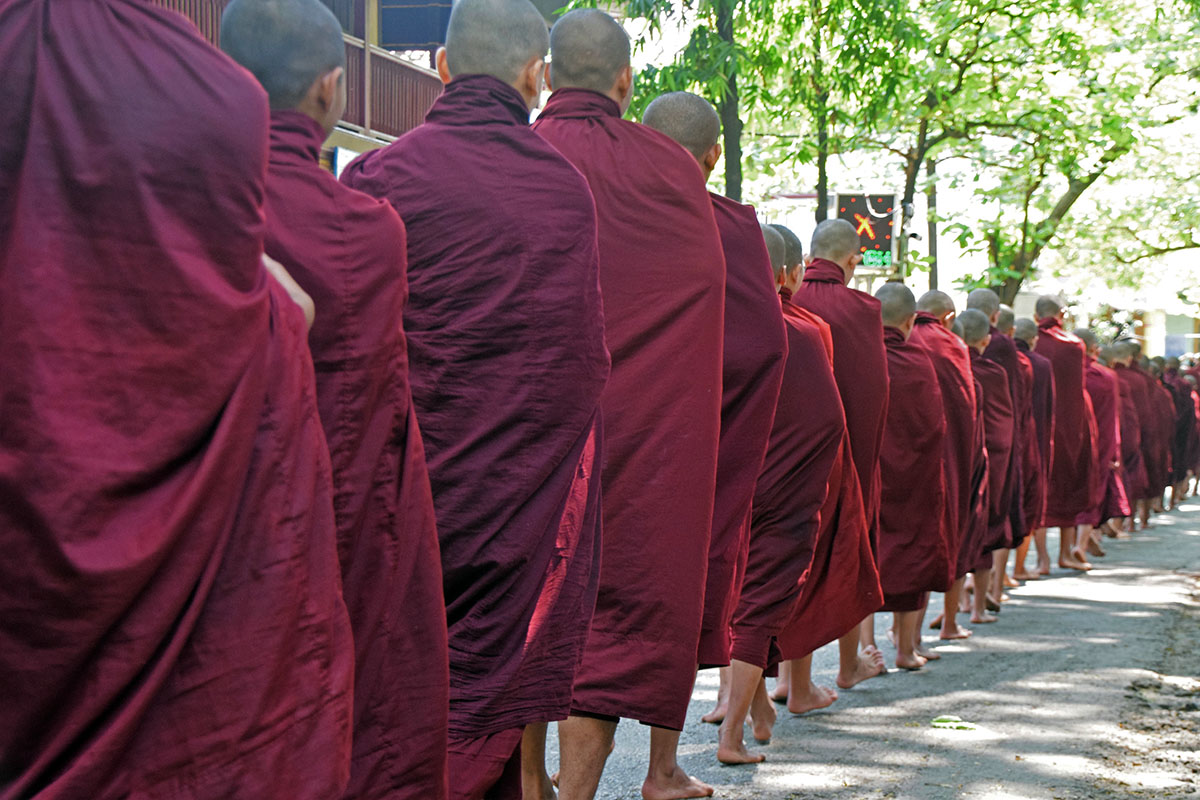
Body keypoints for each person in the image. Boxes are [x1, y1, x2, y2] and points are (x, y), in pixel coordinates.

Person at [1, 2, 356, 796]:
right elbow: (213, 316)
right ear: (331, 94)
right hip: (157, 493)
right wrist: (275, 315)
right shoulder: (209, 96)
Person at [341, 1, 612, 796]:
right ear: (538, 77)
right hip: (514, 507)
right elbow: (581, 367)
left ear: (441, 68)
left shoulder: (378, 175)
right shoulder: (565, 191)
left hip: (408, 496)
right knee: (492, 697)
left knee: (397, 697)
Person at [219, 2, 449, 797]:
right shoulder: (368, 227)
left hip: (218, 522)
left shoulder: (189, 206)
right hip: (343, 519)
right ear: (331, 92)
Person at [532, 11, 726, 799]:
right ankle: (574, 795)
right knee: (612, 614)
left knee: (520, 605)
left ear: (545, 75)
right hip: (642, 430)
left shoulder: (516, 153)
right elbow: (703, 294)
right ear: (626, 82)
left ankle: (526, 784)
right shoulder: (671, 171)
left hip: (529, 430)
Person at [641, 92, 787, 725]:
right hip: (698, 440)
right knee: (678, 587)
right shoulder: (732, 227)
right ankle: (662, 765)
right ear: (713, 155)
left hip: (609, 435)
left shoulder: (601, 204)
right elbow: (764, 346)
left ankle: (547, 773)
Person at [704, 224, 844, 764]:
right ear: (788, 274)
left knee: (738, 597)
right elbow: (826, 420)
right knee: (760, 604)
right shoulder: (804, 332)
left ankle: (756, 711)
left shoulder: (714, 324)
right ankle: (731, 735)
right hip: (784, 495)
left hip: (730, 488)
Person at [787, 218, 889, 682]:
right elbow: (874, 395)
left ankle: (789, 677)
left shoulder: (789, 301)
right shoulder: (865, 310)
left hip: (790, 456)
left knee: (790, 555)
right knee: (848, 548)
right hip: (849, 457)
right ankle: (848, 665)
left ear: (807, 260)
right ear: (853, 261)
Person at [874, 283, 950, 670]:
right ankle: (906, 649)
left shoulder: (863, 355)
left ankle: (862, 650)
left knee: (865, 557)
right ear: (909, 321)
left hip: (872, 473)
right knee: (913, 553)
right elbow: (936, 425)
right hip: (915, 477)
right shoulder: (920, 361)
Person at [910, 291, 978, 641]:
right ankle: (949, 624)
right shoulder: (952, 345)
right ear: (949, 317)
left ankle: (905, 636)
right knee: (952, 535)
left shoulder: (903, 337)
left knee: (907, 542)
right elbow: (967, 412)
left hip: (904, 456)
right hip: (949, 458)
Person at [966, 290, 1026, 600]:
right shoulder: (1002, 345)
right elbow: (1013, 397)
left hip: (965, 439)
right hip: (997, 438)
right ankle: (991, 588)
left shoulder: (955, 340)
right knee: (994, 514)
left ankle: (967, 592)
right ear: (995, 317)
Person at [958, 309, 1015, 623]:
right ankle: (978, 607)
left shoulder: (952, 365)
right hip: (992, 457)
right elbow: (1005, 421)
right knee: (987, 529)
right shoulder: (994, 372)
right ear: (985, 339)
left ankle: (955, 609)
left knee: (959, 528)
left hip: (957, 459)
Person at [1033, 296, 1098, 570]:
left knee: (1040, 492)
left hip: (1040, 425)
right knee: (1069, 488)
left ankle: (1042, 560)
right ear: (1061, 314)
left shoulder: (1032, 341)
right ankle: (1065, 554)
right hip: (1071, 427)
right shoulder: (1075, 345)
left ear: (1036, 317)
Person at [1072, 329, 1130, 561]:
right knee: (1094, 490)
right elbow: (1113, 416)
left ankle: (1079, 542)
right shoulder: (1106, 377)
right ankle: (1082, 543)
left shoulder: (1068, 372)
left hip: (1070, 440)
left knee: (1073, 488)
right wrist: (1115, 448)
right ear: (1094, 349)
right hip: (1100, 440)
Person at [1012, 318, 1057, 576]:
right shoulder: (1041, 365)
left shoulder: (1000, 360)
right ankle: (1019, 566)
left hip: (1004, 440)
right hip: (1034, 440)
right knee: (1028, 504)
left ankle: (1002, 574)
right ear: (1034, 340)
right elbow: (1048, 408)